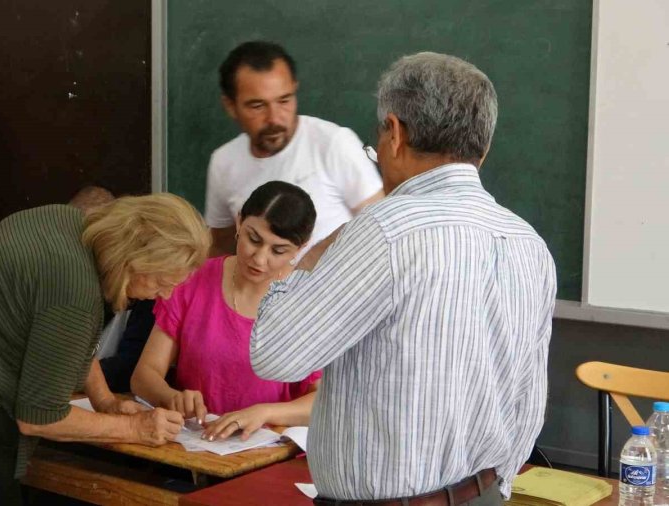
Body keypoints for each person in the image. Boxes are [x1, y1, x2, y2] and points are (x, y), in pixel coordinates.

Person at [250, 52, 557, 505]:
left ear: (394, 133)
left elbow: (275, 356)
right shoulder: (528, 242)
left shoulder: (383, 231)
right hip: (487, 496)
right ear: (483, 148)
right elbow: (529, 398)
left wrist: (312, 255)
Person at [0, 194, 210, 505]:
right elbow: (39, 418)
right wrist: (137, 429)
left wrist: (105, 401)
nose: (165, 294)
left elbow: (64, 339)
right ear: (133, 260)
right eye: (162, 281)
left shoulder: (63, 220)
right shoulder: (73, 295)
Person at [132, 181, 320, 441]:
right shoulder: (193, 279)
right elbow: (144, 375)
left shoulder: (307, 303)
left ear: (302, 248)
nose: (259, 258)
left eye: (278, 250)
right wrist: (173, 397)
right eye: (253, 239)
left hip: (264, 452)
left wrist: (264, 413)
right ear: (239, 222)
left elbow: (323, 400)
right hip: (194, 443)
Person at [206, 41, 384, 266]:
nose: (275, 118)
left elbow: (381, 227)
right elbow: (221, 247)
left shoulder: (334, 144)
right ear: (230, 106)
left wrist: (310, 264)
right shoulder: (224, 162)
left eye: (284, 100)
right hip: (261, 300)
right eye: (257, 106)